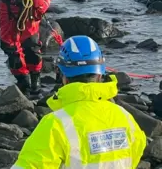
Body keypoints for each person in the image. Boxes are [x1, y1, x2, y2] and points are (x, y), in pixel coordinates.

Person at [10, 35, 146, 168]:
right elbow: (135, 153)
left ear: (64, 77)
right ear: (99, 75)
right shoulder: (124, 117)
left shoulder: (55, 124)